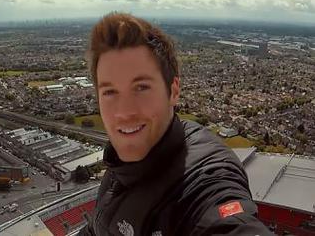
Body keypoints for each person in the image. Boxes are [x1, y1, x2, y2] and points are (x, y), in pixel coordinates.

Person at [78, 13, 273, 236]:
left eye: (141, 87)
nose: (124, 112)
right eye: (110, 92)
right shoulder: (119, 162)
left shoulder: (203, 180)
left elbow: (228, 221)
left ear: (173, 91)